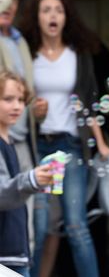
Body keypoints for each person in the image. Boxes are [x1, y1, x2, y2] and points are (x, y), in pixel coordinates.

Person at [19, 0, 109, 277]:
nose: (53, 16)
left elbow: (88, 103)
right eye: (46, 10)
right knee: (39, 226)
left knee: (76, 225)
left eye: (58, 10)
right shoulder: (27, 55)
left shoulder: (79, 55)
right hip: (37, 147)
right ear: (36, 17)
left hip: (70, 146)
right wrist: (31, 111)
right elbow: (17, 98)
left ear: (66, 17)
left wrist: (101, 144)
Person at [0, 0, 47, 261]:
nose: (10, 1)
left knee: (29, 226)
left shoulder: (19, 41)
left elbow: (20, 94)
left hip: (21, 141)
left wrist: (34, 112)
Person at [0, 71, 53, 277]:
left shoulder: (11, 142)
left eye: (21, 100)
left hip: (15, 252)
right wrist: (31, 180)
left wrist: (38, 180)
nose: (17, 106)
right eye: (8, 99)